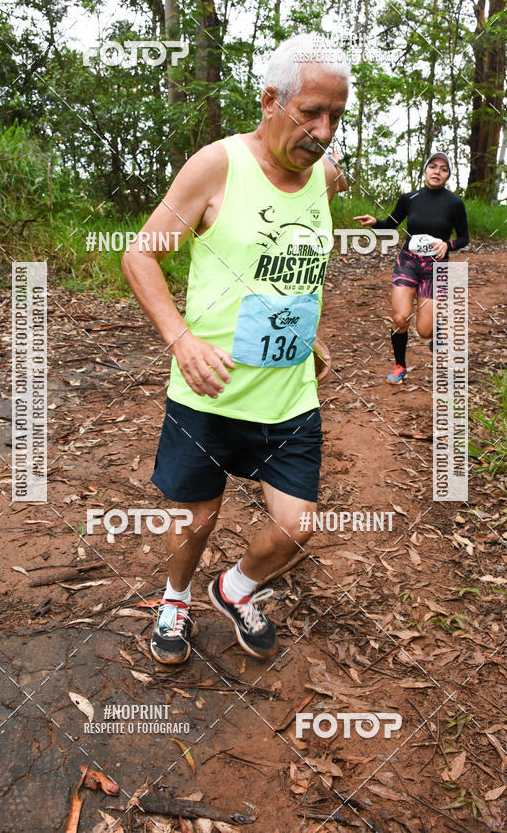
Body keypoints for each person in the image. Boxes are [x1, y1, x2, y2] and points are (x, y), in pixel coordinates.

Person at [122, 33, 349, 664]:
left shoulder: (325, 178)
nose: (324, 131)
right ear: (269, 100)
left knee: (297, 527)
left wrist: (307, 330)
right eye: (311, 113)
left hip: (289, 394)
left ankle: (235, 588)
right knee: (197, 519)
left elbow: (292, 265)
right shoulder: (217, 166)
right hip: (209, 392)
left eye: (336, 116)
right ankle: (175, 598)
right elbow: (139, 253)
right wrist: (181, 338)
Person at [354, 152, 468, 383]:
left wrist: (448, 244)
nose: (437, 171)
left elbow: (464, 238)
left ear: (448, 175)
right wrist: (375, 223)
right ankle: (399, 366)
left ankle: (437, 327)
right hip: (408, 262)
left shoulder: (454, 203)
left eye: (443, 169)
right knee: (400, 317)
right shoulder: (410, 198)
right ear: (425, 170)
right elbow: (390, 225)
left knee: (425, 331)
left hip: (436, 268)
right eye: (433, 166)